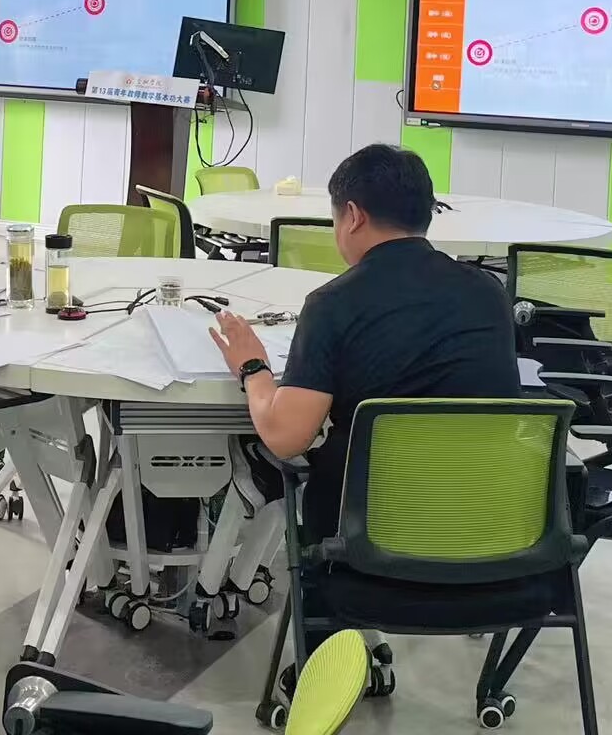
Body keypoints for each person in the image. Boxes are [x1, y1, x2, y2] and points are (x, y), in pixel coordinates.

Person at [209, 143, 521, 541]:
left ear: (353, 216)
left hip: (371, 534)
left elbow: (285, 437)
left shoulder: (333, 304)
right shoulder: (489, 292)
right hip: (488, 527)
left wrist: (253, 368)